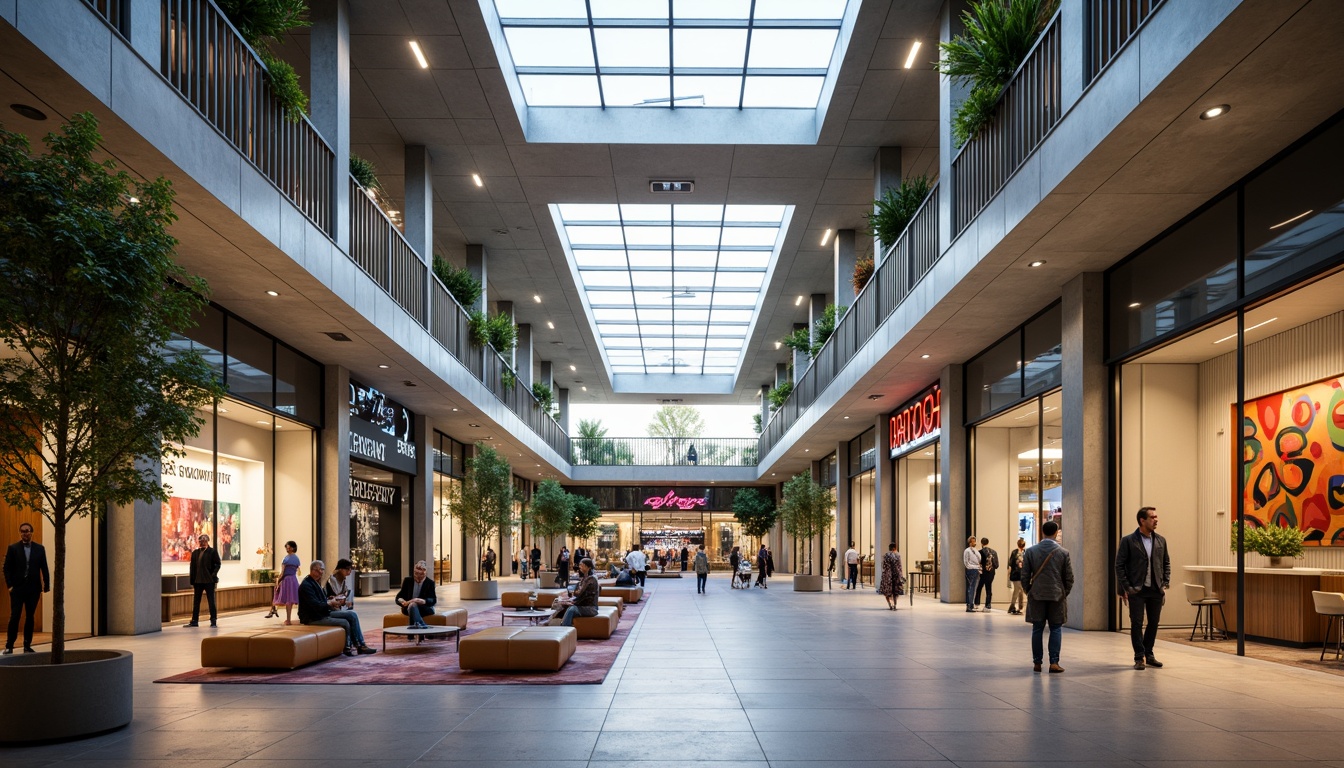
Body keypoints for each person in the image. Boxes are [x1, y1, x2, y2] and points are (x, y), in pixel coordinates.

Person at [1115, 506, 1170, 670]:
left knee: (1153, 622)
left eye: (1156, 517)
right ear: (1142, 520)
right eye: (1152, 517)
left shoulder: (1160, 540)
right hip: (1136, 590)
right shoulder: (1128, 541)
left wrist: (1165, 582)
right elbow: (1119, 565)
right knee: (1136, 623)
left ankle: (1149, 653)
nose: (1156, 520)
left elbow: (1166, 562)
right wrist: (1127, 587)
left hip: (1155, 589)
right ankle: (1139, 657)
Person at [1021, 521, 1073, 674]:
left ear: (1042, 532)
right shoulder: (1063, 553)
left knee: (1037, 629)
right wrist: (1063, 593)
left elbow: (1025, 576)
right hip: (1057, 596)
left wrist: (1029, 591)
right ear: (1056, 532)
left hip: (1036, 595)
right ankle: (1054, 663)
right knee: (1056, 628)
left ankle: (1037, 663)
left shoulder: (1030, 551)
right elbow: (1069, 578)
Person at [298, 560, 375, 656]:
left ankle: (361, 645)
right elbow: (315, 605)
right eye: (319, 570)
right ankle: (348, 647)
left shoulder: (315, 582)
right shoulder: (307, 585)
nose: (321, 573)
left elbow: (321, 601)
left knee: (352, 614)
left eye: (322, 570)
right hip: (313, 617)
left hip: (322, 613)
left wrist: (331, 600)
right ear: (313, 570)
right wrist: (330, 603)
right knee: (345, 622)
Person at [3, 521, 49, 654]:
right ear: (20, 533)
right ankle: (9, 645)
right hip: (17, 589)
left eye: (27, 530)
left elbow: (44, 567)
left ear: (31, 532)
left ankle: (27, 646)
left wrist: (46, 585)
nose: (25, 533)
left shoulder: (40, 549)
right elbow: (7, 568)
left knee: (30, 617)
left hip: (33, 589)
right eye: (23, 531)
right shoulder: (13, 548)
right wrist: (10, 586)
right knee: (15, 616)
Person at [184, 533, 221, 628]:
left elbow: (218, 564)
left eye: (204, 541)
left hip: (209, 581)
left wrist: (213, 575)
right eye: (201, 541)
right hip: (198, 581)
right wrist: (192, 581)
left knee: (211, 601)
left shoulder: (212, 552)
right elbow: (192, 568)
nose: (202, 543)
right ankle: (194, 620)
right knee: (196, 602)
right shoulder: (195, 553)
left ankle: (213, 620)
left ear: (207, 541)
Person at [552, 558, 599, 627]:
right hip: (582, 605)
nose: (580, 567)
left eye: (582, 565)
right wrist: (570, 599)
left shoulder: (591, 579)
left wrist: (572, 597)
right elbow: (578, 593)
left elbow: (580, 593)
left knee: (572, 609)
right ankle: (553, 622)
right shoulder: (585, 578)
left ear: (588, 567)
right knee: (560, 604)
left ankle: (565, 627)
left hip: (590, 608)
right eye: (580, 565)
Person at [395, 560, 437, 628]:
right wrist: (402, 601)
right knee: (412, 605)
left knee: (413, 606)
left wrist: (424, 601)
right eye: (415, 574)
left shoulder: (430, 583)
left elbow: (433, 600)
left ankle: (412, 632)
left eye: (420, 575)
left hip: (424, 608)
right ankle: (423, 626)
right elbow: (399, 597)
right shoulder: (407, 581)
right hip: (408, 607)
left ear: (425, 573)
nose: (417, 577)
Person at [274, 541, 301, 625]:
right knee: (291, 600)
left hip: (286, 580)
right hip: (293, 579)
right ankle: (297, 617)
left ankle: (288, 619)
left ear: (292, 548)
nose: (287, 549)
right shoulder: (297, 558)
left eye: (288, 547)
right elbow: (298, 570)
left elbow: (282, 572)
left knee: (288, 601)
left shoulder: (286, 558)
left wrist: (278, 580)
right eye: (286, 547)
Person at [878, 543, 905, 610]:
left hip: (887, 575)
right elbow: (899, 567)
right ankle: (894, 603)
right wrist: (901, 575)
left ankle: (890, 604)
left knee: (887, 591)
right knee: (895, 591)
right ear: (895, 548)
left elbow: (883, 566)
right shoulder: (898, 555)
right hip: (896, 575)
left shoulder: (886, 555)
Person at [976, 537, 998, 612]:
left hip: (983, 573)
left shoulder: (979, 552)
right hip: (991, 573)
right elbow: (997, 565)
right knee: (989, 589)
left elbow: (978, 563)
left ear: (981, 543)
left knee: (979, 588)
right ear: (988, 543)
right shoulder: (994, 552)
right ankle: (988, 605)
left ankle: (977, 603)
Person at [1007, 538, 1027, 615]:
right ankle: (1014, 606)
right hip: (1016, 574)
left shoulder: (1025, 552)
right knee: (1018, 590)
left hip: (1022, 574)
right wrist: (1009, 573)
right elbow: (1010, 564)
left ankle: (1017, 607)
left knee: (1020, 590)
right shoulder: (1014, 552)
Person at [962, 536, 981, 612]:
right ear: (970, 542)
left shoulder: (976, 551)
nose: (974, 542)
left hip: (976, 569)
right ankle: (969, 605)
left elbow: (979, 560)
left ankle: (971, 604)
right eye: (973, 541)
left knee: (974, 588)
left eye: (975, 541)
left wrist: (978, 567)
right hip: (971, 570)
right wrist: (972, 567)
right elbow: (966, 562)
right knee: (971, 588)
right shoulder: (967, 551)